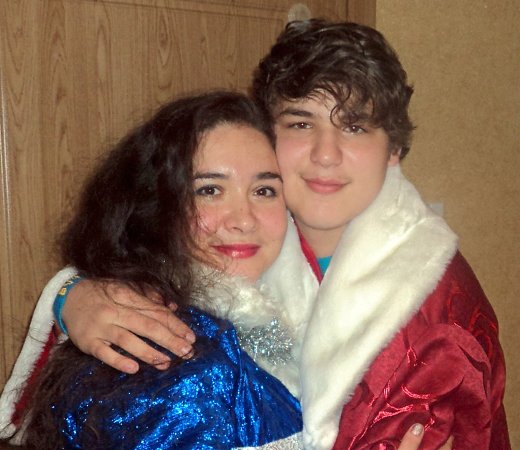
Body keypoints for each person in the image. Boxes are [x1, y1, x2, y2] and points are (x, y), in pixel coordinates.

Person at [1, 19, 508, 449]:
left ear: (393, 150)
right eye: (301, 124)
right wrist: (72, 294)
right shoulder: (251, 241)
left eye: (355, 127)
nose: (325, 155)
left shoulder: (437, 306)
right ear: (268, 135)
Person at [4, 91, 305, 448]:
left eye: (264, 190)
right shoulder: (176, 367)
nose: (244, 219)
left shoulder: (279, 312)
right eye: (209, 190)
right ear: (155, 205)